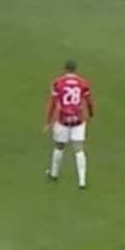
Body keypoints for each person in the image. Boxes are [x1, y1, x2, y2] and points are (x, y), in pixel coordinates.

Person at [44, 60, 94, 190]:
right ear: (75, 69)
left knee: (59, 146)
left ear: (65, 69)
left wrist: (48, 121)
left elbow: (52, 103)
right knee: (79, 149)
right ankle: (82, 181)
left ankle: (54, 174)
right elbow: (89, 101)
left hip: (63, 119)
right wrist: (91, 114)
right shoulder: (83, 83)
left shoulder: (58, 83)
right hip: (78, 119)